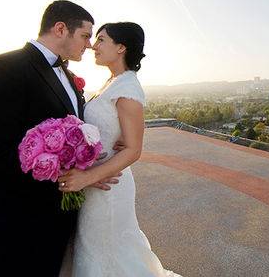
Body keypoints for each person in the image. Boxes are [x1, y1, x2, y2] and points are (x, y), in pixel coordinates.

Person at [0, 0, 122, 276]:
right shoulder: (3, 69)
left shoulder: (70, 76)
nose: (89, 45)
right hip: (20, 230)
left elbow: (78, 132)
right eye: (86, 35)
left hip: (63, 226)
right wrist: (73, 175)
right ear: (61, 29)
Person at [58, 22, 181, 276]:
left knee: (106, 251)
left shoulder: (127, 87)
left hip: (108, 188)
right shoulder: (112, 82)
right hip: (95, 184)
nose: (94, 45)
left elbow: (134, 150)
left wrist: (87, 177)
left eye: (102, 40)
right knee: (95, 248)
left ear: (121, 48)